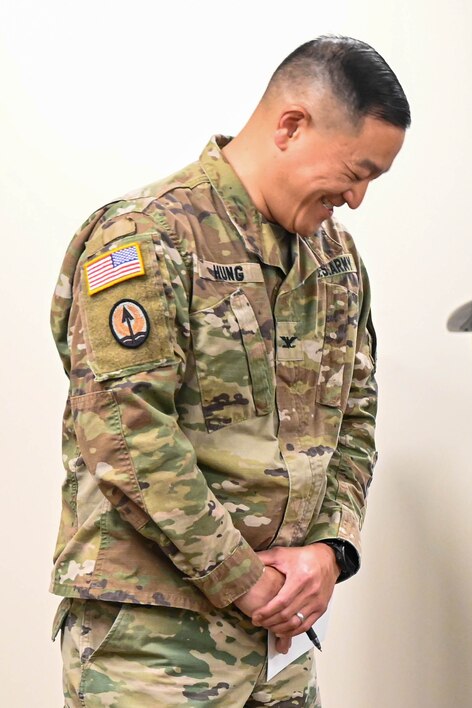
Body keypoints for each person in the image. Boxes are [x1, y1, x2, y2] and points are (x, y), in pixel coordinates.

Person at [49, 35, 409, 706]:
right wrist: (243, 579)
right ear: (292, 126)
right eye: (356, 171)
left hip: (279, 650)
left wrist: (330, 552)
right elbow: (129, 440)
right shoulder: (145, 238)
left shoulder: (336, 262)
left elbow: (354, 419)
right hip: (152, 647)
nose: (357, 198)